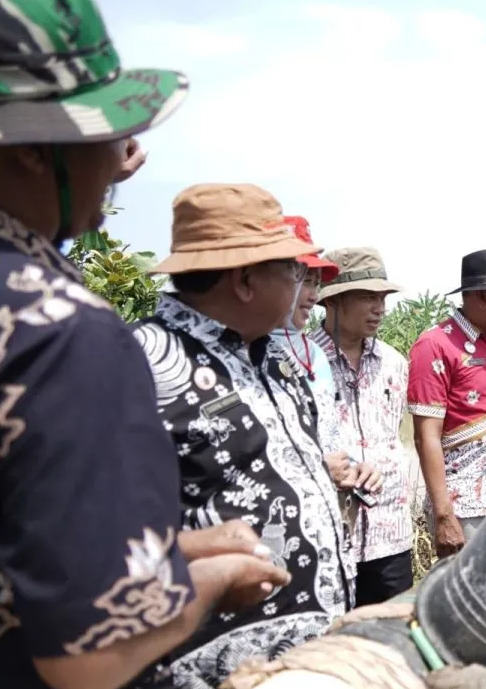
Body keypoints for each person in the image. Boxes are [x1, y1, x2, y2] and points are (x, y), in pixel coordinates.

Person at [0, 4, 290, 689]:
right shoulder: (60, 330)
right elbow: (90, 653)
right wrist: (217, 573)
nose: (128, 154)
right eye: (109, 131)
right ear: (38, 148)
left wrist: (175, 547)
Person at [132, 183, 352, 688]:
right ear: (246, 280)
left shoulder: (275, 357)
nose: (302, 284)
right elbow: (90, 531)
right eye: (293, 270)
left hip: (304, 660)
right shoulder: (141, 362)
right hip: (205, 669)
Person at [268, 219, 382, 596]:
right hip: (276, 536)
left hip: (330, 528)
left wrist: (353, 465)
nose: (312, 293)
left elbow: (327, 436)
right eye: (302, 279)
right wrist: (318, 468)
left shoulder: (313, 354)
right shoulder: (244, 353)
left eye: (316, 281)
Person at [407, 248, 486, 558]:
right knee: (465, 599)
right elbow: (426, 437)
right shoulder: (435, 344)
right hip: (464, 511)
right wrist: (443, 515)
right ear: (480, 296)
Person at [311, 247, 413, 605]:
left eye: (382, 298)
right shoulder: (302, 362)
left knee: (391, 642)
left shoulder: (394, 363)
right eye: (368, 297)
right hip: (331, 538)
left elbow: (393, 434)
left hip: (391, 534)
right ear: (334, 301)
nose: (379, 308)